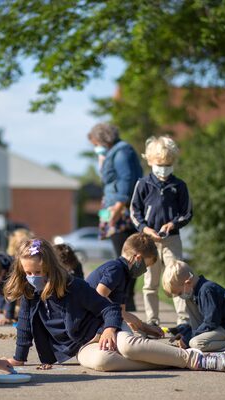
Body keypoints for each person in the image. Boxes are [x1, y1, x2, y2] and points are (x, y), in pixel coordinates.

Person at [3, 238, 225, 373]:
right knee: (103, 362)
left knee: (129, 346)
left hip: (103, 329)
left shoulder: (74, 286)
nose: (33, 277)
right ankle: (172, 361)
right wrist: (18, 358)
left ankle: (195, 359)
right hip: (82, 347)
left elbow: (109, 308)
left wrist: (109, 329)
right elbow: (24, 326)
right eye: (28, 273)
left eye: (38, 272)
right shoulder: (30, 293)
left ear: (51, 268)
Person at [130, 136, 193, 327]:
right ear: (150, 161)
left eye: (167, 165)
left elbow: (187, 213)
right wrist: (145, 228)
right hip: (149, 241)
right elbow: (134, 211)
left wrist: (172, 224)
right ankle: (152, 319)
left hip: (172, 239)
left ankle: (183, 319)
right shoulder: (143, 184)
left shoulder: (179, 186)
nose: (163, 168)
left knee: (178, 276)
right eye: (160, 164)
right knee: (150, 281)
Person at [87, 122, 143, 311]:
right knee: (119, 255)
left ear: (103, 139)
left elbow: (126, 180)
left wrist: (117, 210)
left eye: (96, 144)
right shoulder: (110, 153)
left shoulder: (122, 152)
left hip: (121, 209)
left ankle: (126, 298)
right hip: (110, 206)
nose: (95, 148)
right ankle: (123, 297)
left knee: (126, 256)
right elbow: (108, 180)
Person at [86, 233, 163, 338]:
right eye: (146, 266)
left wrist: (145, 327)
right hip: (87, 321)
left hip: (96, 318)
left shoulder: (125, 275)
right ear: (138, 258)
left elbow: (122, 312)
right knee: (129, 338)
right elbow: (99, 295)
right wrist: (127, 318)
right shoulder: (116, 269)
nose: (144, 270)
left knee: (136, 334)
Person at [162, 260, 225, 352]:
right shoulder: (193, 293)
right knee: (188, 302)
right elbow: (200, 322)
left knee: (196, 343)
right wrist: (186, 334)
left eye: (180, 293)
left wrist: (188, 339)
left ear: (188, 283)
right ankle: (202, 339)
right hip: (217, 327)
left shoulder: (206, 291)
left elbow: (211, 322)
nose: (180, 296)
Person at [0, 228, 34, 325]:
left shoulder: (24, 260)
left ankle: (14, 311)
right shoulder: (12, 262)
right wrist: (8, 314)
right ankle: (13, 311)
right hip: (12, 297)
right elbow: (11, 289)